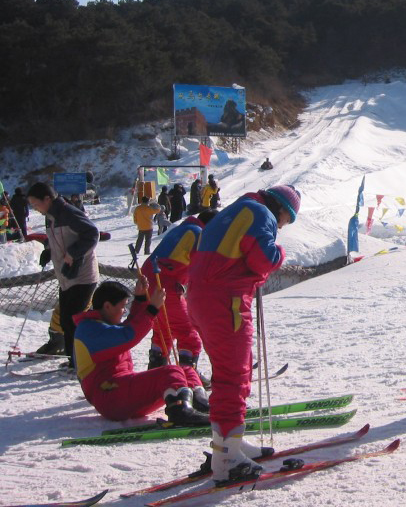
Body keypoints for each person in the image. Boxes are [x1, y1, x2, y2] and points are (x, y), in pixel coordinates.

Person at [187, 184, 299, 484]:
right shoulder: (261, 214)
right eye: (287, 220)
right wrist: (280, 253)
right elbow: (263, 258)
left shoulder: (236, 210)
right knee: (233, 376)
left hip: (202, 297)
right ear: (281, 209)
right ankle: (227, 458)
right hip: (226, 301)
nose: (282, 226)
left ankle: (230, 442)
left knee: (233, 370)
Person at [73, 279, 209, 425]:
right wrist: (152, 309)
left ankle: (202, 406)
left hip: (120, 391)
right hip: (109, 396)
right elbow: (128, 335)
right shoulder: (89, 330)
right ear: (107, 306)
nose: (124, 311)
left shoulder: (103, 325)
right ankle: (180, 412)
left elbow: (129, 325)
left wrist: (140, 298)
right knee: (171, 373)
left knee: (186, 371)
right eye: (123, 307)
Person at [27, 182, 100, 367]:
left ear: (47, 199)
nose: (35, 209)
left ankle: (80, 362)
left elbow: (92, 233)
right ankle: (72, 359)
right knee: (66, 320)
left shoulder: (68, 212)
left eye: (36, 204)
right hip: (66, 276)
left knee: (72, 320)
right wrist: (48, 250)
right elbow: (58, 239)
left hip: (83, 275)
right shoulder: (50, 216)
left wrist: (73, 253)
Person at [142, 209, 217, 373]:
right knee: (187, 330)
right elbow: (203, 266)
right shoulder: (198, 234)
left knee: (164, 329)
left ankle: (156, 372)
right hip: (166, 283)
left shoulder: (184, 229)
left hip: (149, 281)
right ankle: (187, 374)